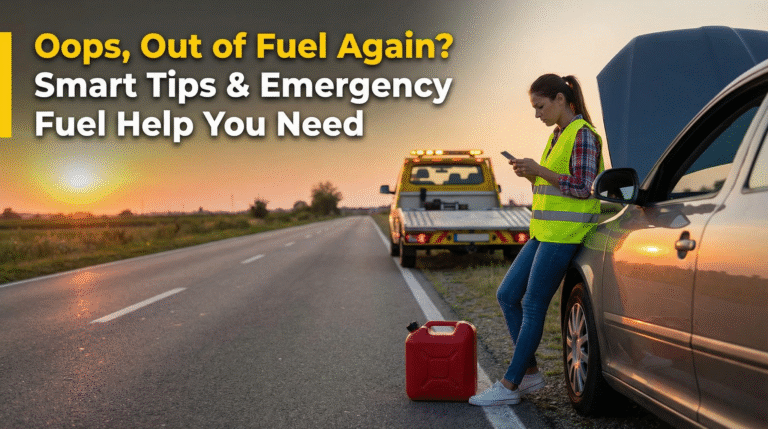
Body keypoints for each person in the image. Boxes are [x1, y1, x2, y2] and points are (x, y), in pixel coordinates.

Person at [469, 74, 604, 406]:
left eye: (540, 106)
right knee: (507, 294)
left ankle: (511, 384)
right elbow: (551, 190)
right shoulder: (557, 135)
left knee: (531, 304)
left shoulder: (583, 135)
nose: (537, 114)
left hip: (565, 234)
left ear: (560, 99)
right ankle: (529, 374)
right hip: (543, 232)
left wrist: (540, 170)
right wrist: (532, 175)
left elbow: (584, 187)